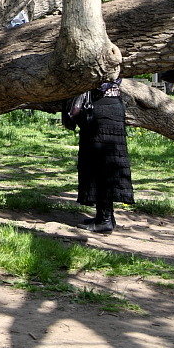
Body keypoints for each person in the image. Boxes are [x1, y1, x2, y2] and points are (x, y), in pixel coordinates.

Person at [61, 79, 133, 234]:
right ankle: (106, 217)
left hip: (101, 110)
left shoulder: (101, 62)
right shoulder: (116, 61)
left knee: (101, 166)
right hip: (111, 106)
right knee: (104, 164)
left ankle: (104, 220)